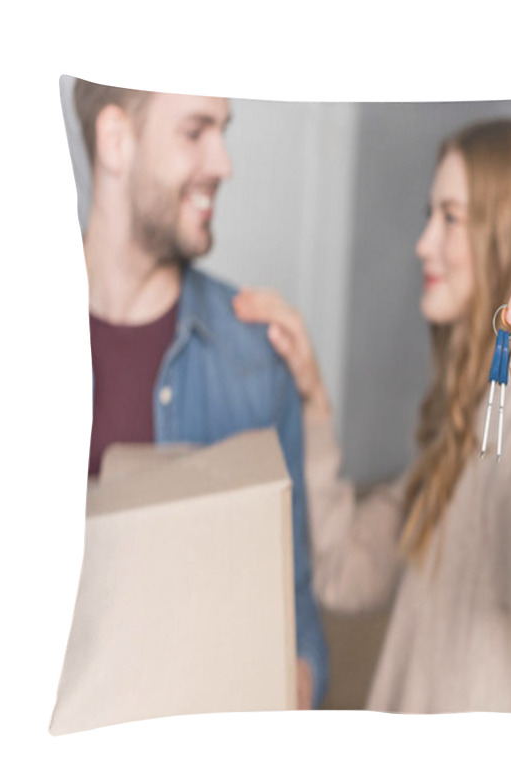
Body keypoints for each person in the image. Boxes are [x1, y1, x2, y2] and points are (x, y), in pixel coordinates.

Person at [232, 118, 511, 714]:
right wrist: (315, 402)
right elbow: (347, 568)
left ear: (507, 230)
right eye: (431, 214)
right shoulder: (459, 425)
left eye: (449, 217)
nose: (423, 243)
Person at [72, 78, 327, 709]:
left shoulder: (255, 358)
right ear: (115, 140)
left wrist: (288, 684)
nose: (224, 164)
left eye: (225, 130)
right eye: (195, 132)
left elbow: (298, 630)